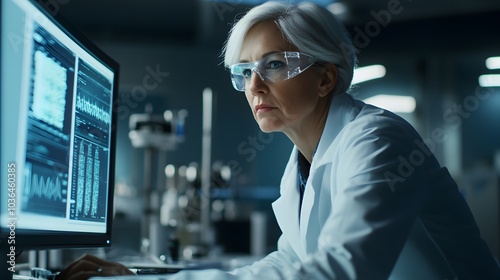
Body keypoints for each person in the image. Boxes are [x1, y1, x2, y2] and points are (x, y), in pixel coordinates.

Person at [57, 1, 500, 279]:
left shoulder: (378, 141)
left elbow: (342, 271)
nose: (254, 86)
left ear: (326, 78)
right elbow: (290, 261)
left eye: (273, 65)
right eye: (245, 71)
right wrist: (145, 278)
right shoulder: (301, 166)